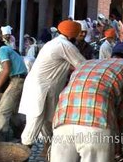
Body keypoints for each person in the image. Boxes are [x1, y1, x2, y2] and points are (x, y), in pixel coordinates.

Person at [49, 42, 123, 162]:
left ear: (112, 55)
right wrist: (117, 144)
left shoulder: (86, 63)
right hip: (96, 124)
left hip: (62, 121)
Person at [19, 20, 86, 150]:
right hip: (41, 88)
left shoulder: (55, 42)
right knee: (34, 122)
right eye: (80, 34)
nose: (82, 36)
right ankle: (22, 160)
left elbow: (63, 65)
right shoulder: (65, 45)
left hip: (40, 86)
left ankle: (47, 151)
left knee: (47, 123)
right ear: (72, 35)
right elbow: (83, 65)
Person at [0, 35, 27, 141]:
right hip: (19, 79)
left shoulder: (1, 50)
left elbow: (6, 70)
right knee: (13, 111)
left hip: (17, 81)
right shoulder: (7, 48)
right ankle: (22, 136)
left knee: (2, 111)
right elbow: (2, 74)